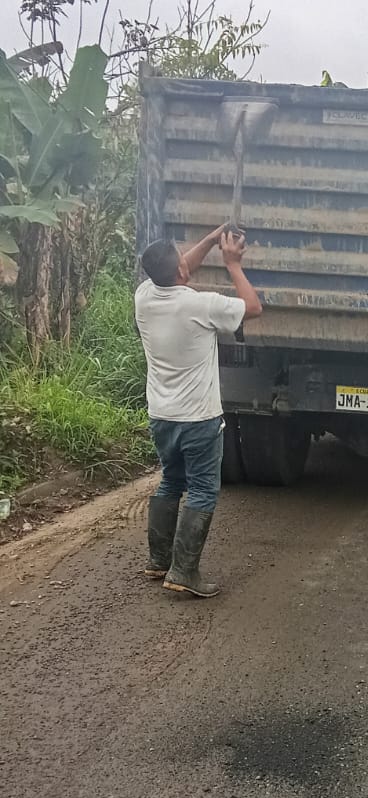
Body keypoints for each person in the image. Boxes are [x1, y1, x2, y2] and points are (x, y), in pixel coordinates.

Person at [135, 225, 262, 597]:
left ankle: (159, 561)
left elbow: (176, 269)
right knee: (203, 490)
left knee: (171, 481)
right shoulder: (200, 305)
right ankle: (184, 572)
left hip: (162, 415)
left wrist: (208, 240)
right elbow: (253, 307)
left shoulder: (144, 296)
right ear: (180, 271)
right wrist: (232, 264)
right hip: (199, 419)